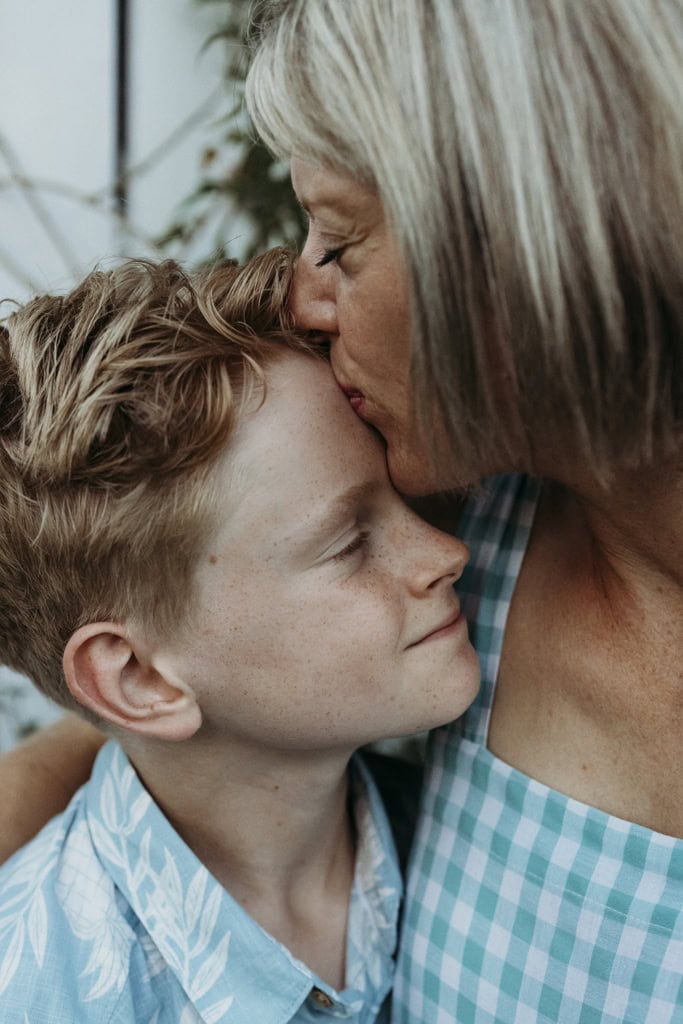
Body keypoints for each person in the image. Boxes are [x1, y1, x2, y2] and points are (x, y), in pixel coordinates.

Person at [1, 1, 682, 1021]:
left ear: (514, 254)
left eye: (339, 241)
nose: (306, 298)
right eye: (353, 534)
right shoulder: (468, 479)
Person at [244, 1, 683, 1022]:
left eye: (338, 241)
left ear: (532, 239)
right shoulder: (445, 538)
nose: (300, 299)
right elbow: (190, 722)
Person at [0, 249, 480, 1022]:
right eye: (347, 544)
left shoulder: (459, 837)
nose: (447, 554)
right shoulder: (41, 993)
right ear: (139, 679)